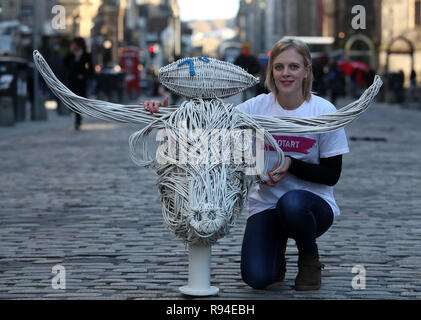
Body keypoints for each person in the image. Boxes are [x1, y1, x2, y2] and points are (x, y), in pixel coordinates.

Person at [142, 38, 349, 292]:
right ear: (271, 70)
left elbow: (331, 175)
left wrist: (290, 163)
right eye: (279, 67)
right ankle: (276, 249)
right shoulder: (255, 107)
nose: (286, 74)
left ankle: (309, 258)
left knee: (292, 203)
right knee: (258, 278)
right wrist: (165, 111)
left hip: (311, 208)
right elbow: (208, 120)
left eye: (293, 67)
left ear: (307, 71)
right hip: (267, 205)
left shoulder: (324, 110)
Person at [63, 37, 94, 130]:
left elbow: (91, 68)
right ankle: (77, 117)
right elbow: (65, 65)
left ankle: (78, 119)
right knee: (72, 100)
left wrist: (85, 75)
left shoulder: (86, 54)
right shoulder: (70, 55)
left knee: (79, 100)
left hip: (81, 81)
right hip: (72, 80)